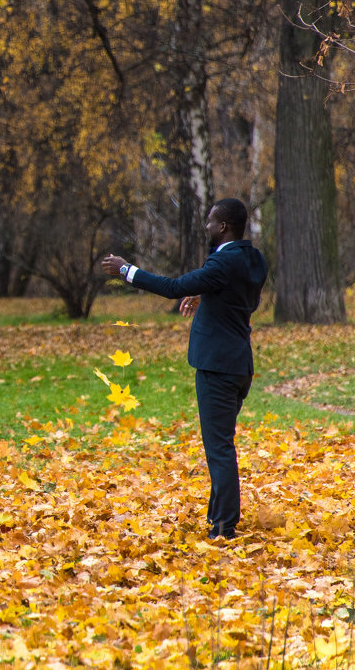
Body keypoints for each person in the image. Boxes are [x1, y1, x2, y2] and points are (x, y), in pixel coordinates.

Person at [101, 198, 267, 540]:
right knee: (222, 443)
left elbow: (174, 288)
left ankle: (224, 528)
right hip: (239, 365)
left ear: (223, 227)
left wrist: (125, 269)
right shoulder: (252, 259)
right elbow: (238, 297)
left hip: (217, 367)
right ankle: (218, 519)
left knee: (219, 447)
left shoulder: (223, 262)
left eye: (210, 221)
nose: (205, 226)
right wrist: (206, 294)